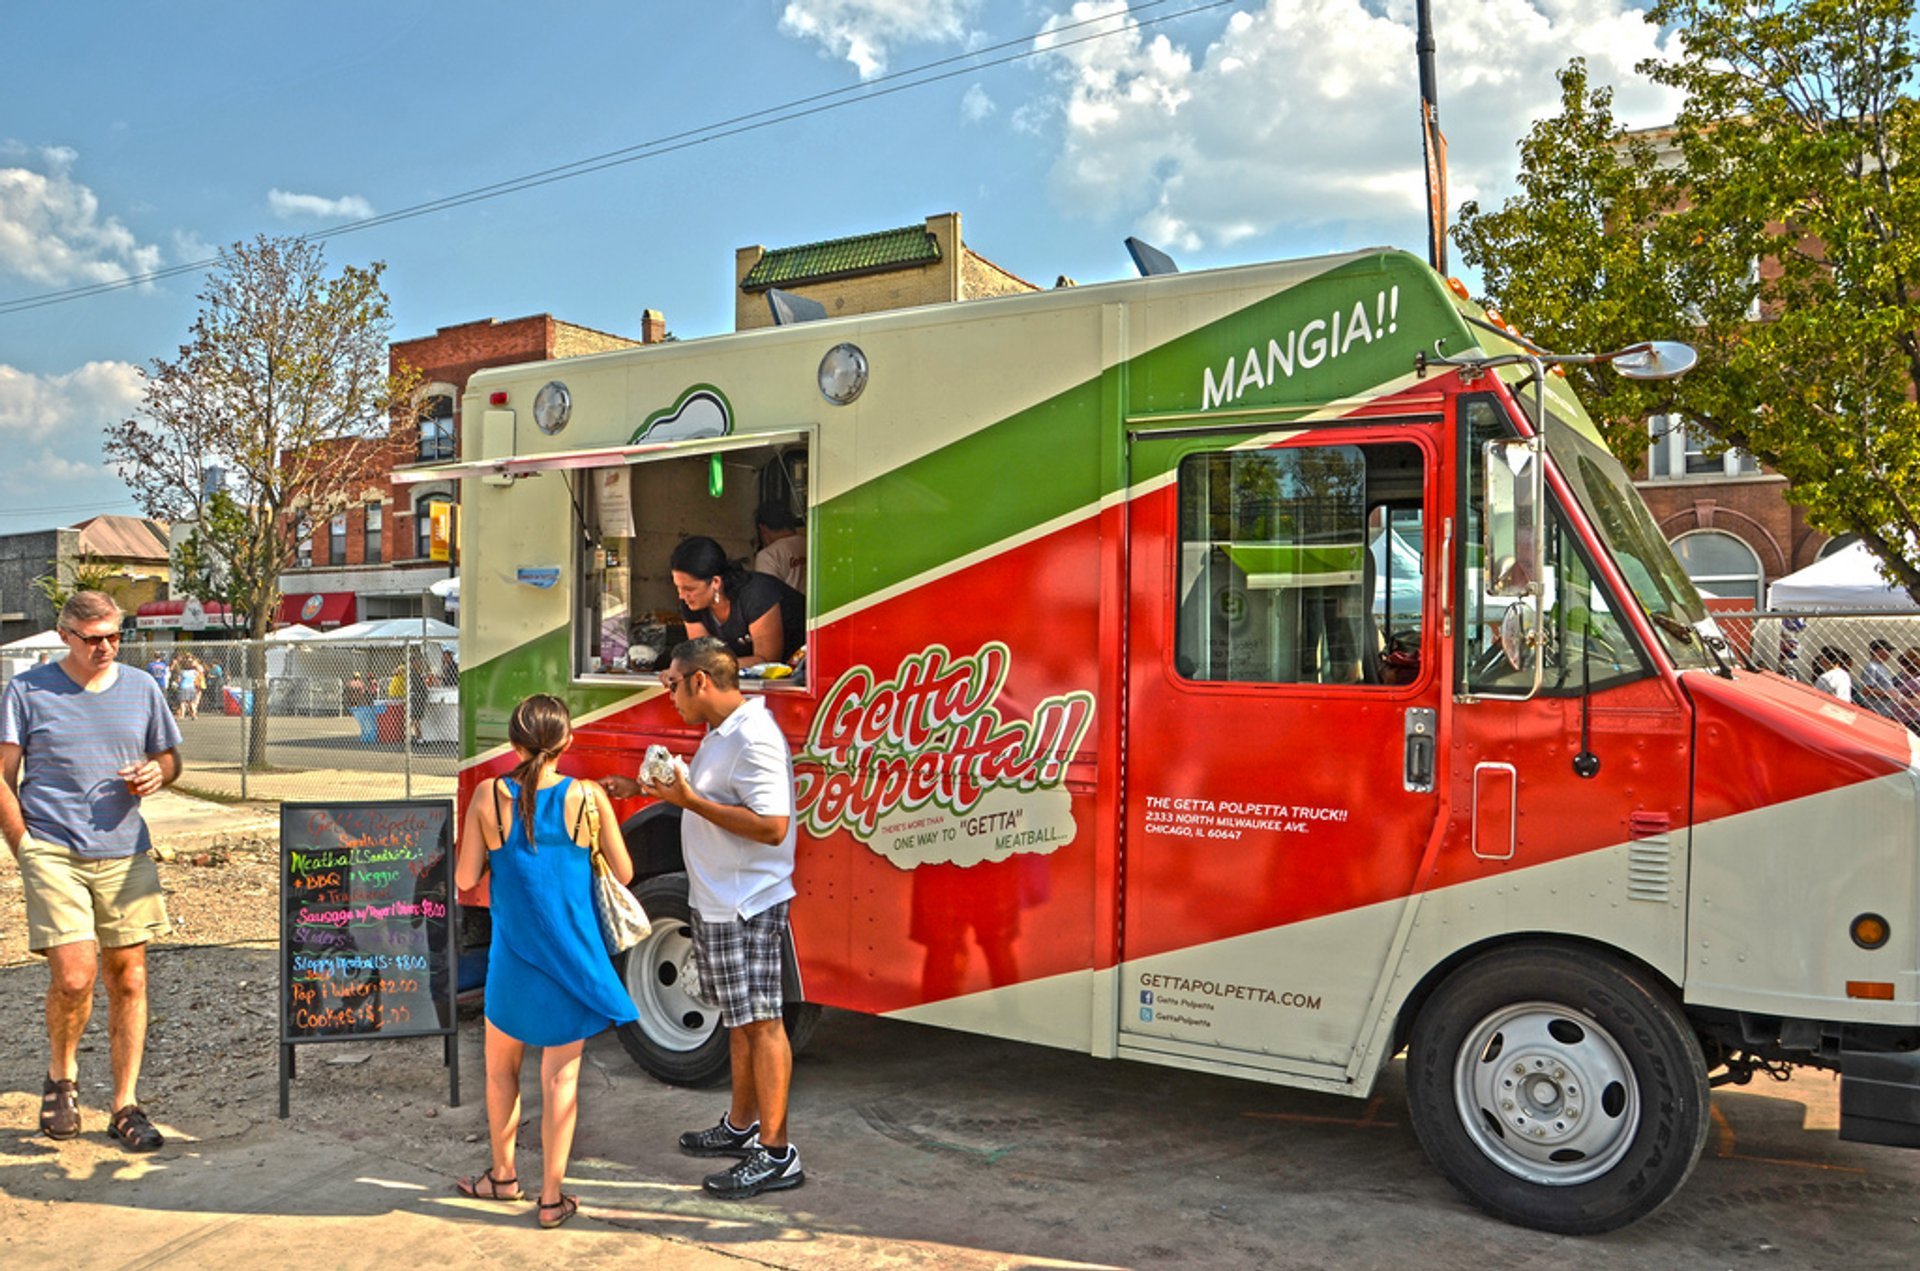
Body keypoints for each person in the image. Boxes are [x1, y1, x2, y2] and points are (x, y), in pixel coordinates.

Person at [0, 591, 182, 1152]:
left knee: (128, 976)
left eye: (113, 636)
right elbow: (3, 775)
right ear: (65, 637)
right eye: (93, 638)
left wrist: (158, 774)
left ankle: (125, 1104)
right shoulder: (27, 691)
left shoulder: (142, 687)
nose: (105, 647)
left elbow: (171, 759)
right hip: (52, 849)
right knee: (75, 975)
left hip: (125, 852)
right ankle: (62, 1076)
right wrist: (24, 845)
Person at [452, 694, 637, 1229]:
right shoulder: (588, 798)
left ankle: (503, 1177)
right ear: (568, 742)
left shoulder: (488, 796)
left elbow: (465, 881)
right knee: (561, 1082)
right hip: (573, 960)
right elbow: (623, 873)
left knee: (499, 1072)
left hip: (513, 959)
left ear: (512, 744)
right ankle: (552, 1200)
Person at [634, 637, 804, 1198]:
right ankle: (740, 1126)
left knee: (762, 1022)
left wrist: (690, 803)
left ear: (701, 681)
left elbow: (773, 826)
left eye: (673, 684)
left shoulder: (754, 738)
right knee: (738, 1021)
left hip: (747, 902)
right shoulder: (721, 734)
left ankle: (777, 1154)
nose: (669, 696)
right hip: (718, 902)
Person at [669, 535, 805, 669]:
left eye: (689, 588)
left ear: (715, 582)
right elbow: (704, 657)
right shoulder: (690, 603)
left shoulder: (757, 594)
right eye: (678, 587)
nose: (681, 595)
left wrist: (714, 666)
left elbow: (767, 662)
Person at [752, 502, 807, 591]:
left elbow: (767, 596)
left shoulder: (768, 555)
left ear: (763, 528)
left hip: (788, 604)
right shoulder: (810, 545)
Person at [1856, 638, 1901, 718]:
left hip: (1884, 710)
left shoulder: (1881, 667)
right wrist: (1887, 694)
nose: (1889, 653)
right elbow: (1867, 690)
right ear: (1878, 650)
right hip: (1875, 711)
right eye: (1887, 650)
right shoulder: (1871, 667)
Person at [174, 655, 201, 721]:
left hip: (183, 687)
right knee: (191, 702)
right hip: (191, 687)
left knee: (182, 702)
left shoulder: (182, 672)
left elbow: (178, 680)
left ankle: (182, 715)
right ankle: (194, 715)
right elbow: (198, 674)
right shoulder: (194, 672)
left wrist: (176, 682)